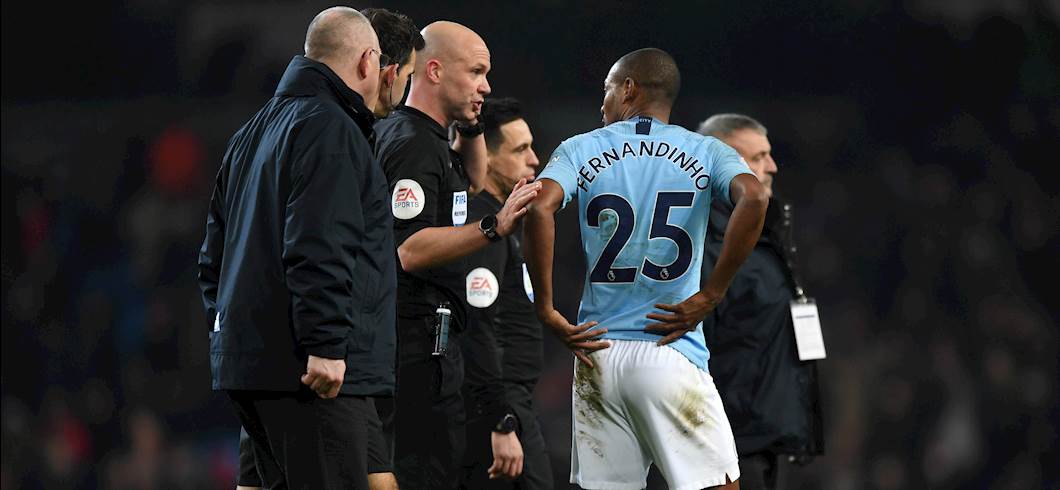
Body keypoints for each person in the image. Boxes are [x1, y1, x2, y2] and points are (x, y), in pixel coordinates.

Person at [524, 48, 770, 490]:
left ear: (629, 88)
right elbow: (754, 197)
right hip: (668, 347)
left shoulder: (580, 148)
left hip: (596, 352)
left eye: (607, 90)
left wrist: (546, 308)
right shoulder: (705, 150)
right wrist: (711, 294)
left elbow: (540, 209)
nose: (602, 104)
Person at [197, 7, 393, 490]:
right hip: (307, 371)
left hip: (250, 363)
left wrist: (234, 334)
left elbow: (212, 257)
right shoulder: (330, 127)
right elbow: (318, 240)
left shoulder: (252, 131)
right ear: (368, 62)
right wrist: (324, 343)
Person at [373, 21, 541, 489]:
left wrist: (471, 123)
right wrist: (493, 225)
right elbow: (409, 248)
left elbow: (470, 178)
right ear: (433, 70)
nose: (487, 86)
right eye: (476, 73)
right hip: (414, 352)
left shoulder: (428, 138)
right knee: (421, 472)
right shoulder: (411, 146)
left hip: (424, 347)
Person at [696, 114, 824, 490]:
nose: (772, 166)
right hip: (727, 450)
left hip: (763, 441)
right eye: (758, 156)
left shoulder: (765, 237)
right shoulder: (706, 248)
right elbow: (690, 355)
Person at [461, 97, 554, 489]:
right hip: (498, 401)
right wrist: (501, 418)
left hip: (510, 397)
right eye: (519, 149)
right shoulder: (480, 227)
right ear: (486, 155)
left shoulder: (504, 225)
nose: (534, 160)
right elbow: (476, 328)